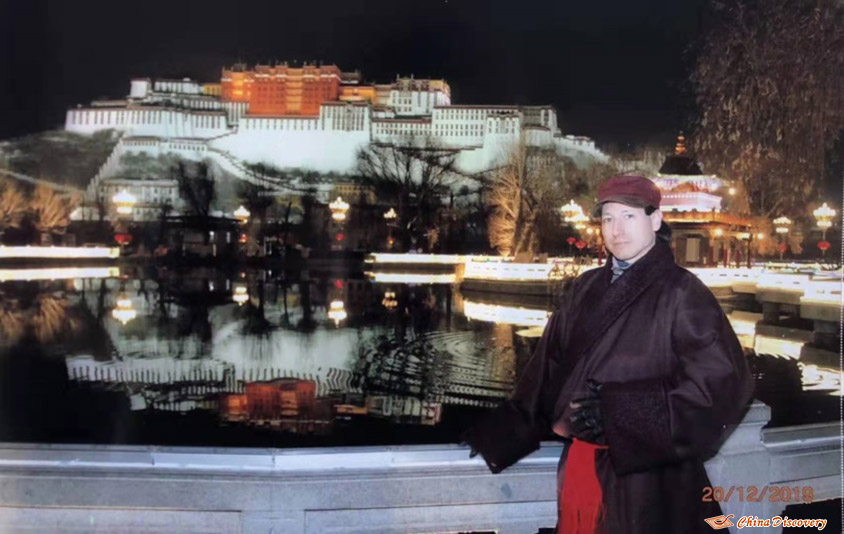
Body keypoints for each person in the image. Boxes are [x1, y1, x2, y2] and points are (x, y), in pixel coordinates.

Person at [462, 175, 753, 533]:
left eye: (629, 216)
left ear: (656, 221)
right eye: (608, 218)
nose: (617, 229)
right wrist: (500, 433)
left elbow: (722, 386)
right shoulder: (586, 287)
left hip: (651, 481)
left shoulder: (683, 293)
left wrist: (624, 415)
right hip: (581, 466)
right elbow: (548, 370)